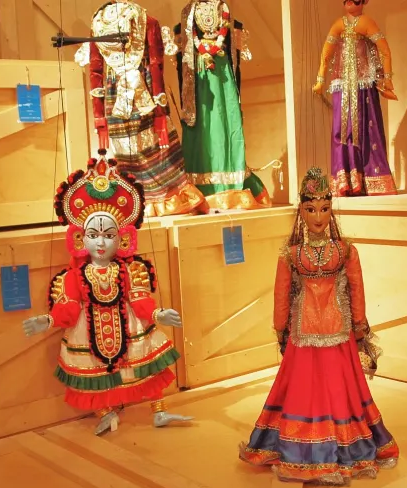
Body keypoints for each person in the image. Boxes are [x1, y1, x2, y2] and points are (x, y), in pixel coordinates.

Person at [238, 167, 398, 485]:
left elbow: (352, 291)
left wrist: (282, 331)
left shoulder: (311, 253)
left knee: (312, 391)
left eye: (324, 209)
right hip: (322, 335)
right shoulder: (331, 252)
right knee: (334, 391)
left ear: (331, 209)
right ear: (301, 210)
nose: (318, 216)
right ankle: (335, 448)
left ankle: (309, 450)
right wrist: (358, 328)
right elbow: (285, 297)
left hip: (318, 336)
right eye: (311, 209)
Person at [22, 153, 193, 435]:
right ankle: (105, 412)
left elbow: (139, 299)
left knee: (147, 365)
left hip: (129, 326)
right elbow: (69, 307)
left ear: (123, 239)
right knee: (95, 374)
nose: (101, 242)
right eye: (93, 235)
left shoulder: (130, 269)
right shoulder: (74, 276)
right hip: (87, 332)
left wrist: (157, 314)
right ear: (80, 239)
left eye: (109, 235)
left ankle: (159, 410)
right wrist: (48, 320)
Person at [76, 0, 208, 217]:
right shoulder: (101, 22)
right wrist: (99, 117)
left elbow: (154, 64)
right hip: (122, 94)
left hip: (136, 92)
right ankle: (138, 200)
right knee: (126, 152)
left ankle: (161, 200)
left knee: (155, 146)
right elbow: (97, 70)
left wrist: (159, 111)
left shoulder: (140, 20)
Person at [171, 0, 273, 210]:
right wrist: (203, 50)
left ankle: (230, 186)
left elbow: (233, 52)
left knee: (225, 121)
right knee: (203, 125)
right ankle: (201, 188)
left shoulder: (223, 9)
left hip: (221, 71)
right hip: (199, 74)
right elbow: (185, 53)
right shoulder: (187, 13)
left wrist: (214, 47)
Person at [313, 0, 398, 197]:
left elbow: (384, 51)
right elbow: (326, 54)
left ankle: (369, 180)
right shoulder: (338, 24)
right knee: (342, 132)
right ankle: (345, 182)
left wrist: (387, 79)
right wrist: (320, 80)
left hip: (363, 87)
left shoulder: (366, 22)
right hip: (342, 87)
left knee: (365, 131)